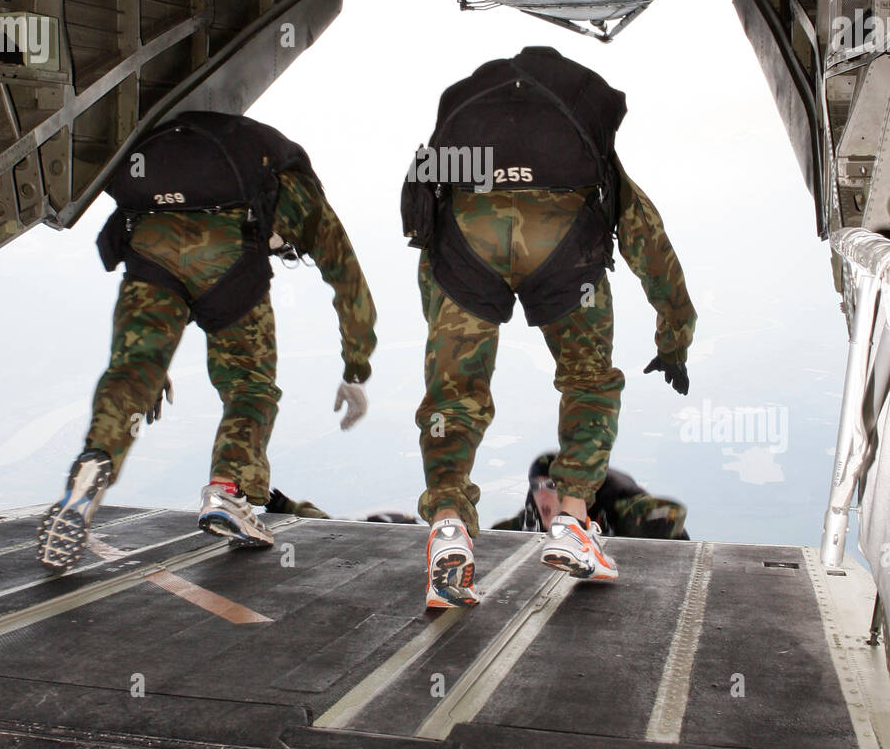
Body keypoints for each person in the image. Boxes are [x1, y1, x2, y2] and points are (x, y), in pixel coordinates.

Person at [402, 46, 695, 608]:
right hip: (564, 241)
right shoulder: (582, 144)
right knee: (588, 381)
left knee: (454, 395)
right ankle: (573, 520)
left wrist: (446, 300)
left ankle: (446, 524)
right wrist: (674, 336)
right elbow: (648, 242)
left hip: (465, 236)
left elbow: (423, 224)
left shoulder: (465, 132)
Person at [37, 110, 376, 572]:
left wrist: (156, 368)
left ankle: (93, 464)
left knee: (133, 369)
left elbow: (165, 271)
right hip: (229, 256)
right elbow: (348, 281)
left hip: (149, 242)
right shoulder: (301, 193)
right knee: (249, 386)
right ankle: (227, 492)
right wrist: (356, 369)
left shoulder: (189, 166)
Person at [493, 453, 689, 540]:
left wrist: (648, 523)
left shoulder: (615, 501)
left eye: (552, 486)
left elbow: (669, 512)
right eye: (536, 486)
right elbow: (503, 536)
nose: (542, 494)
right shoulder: (534, 509)